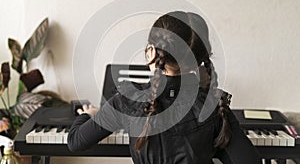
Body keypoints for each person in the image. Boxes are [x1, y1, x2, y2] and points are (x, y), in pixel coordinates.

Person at [68, 11, 262, 164]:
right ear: (199, 61)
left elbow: (75, 141)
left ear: (151, 52)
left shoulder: (127, 101)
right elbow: (248, 161)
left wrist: (88, 114)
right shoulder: (213, 107)